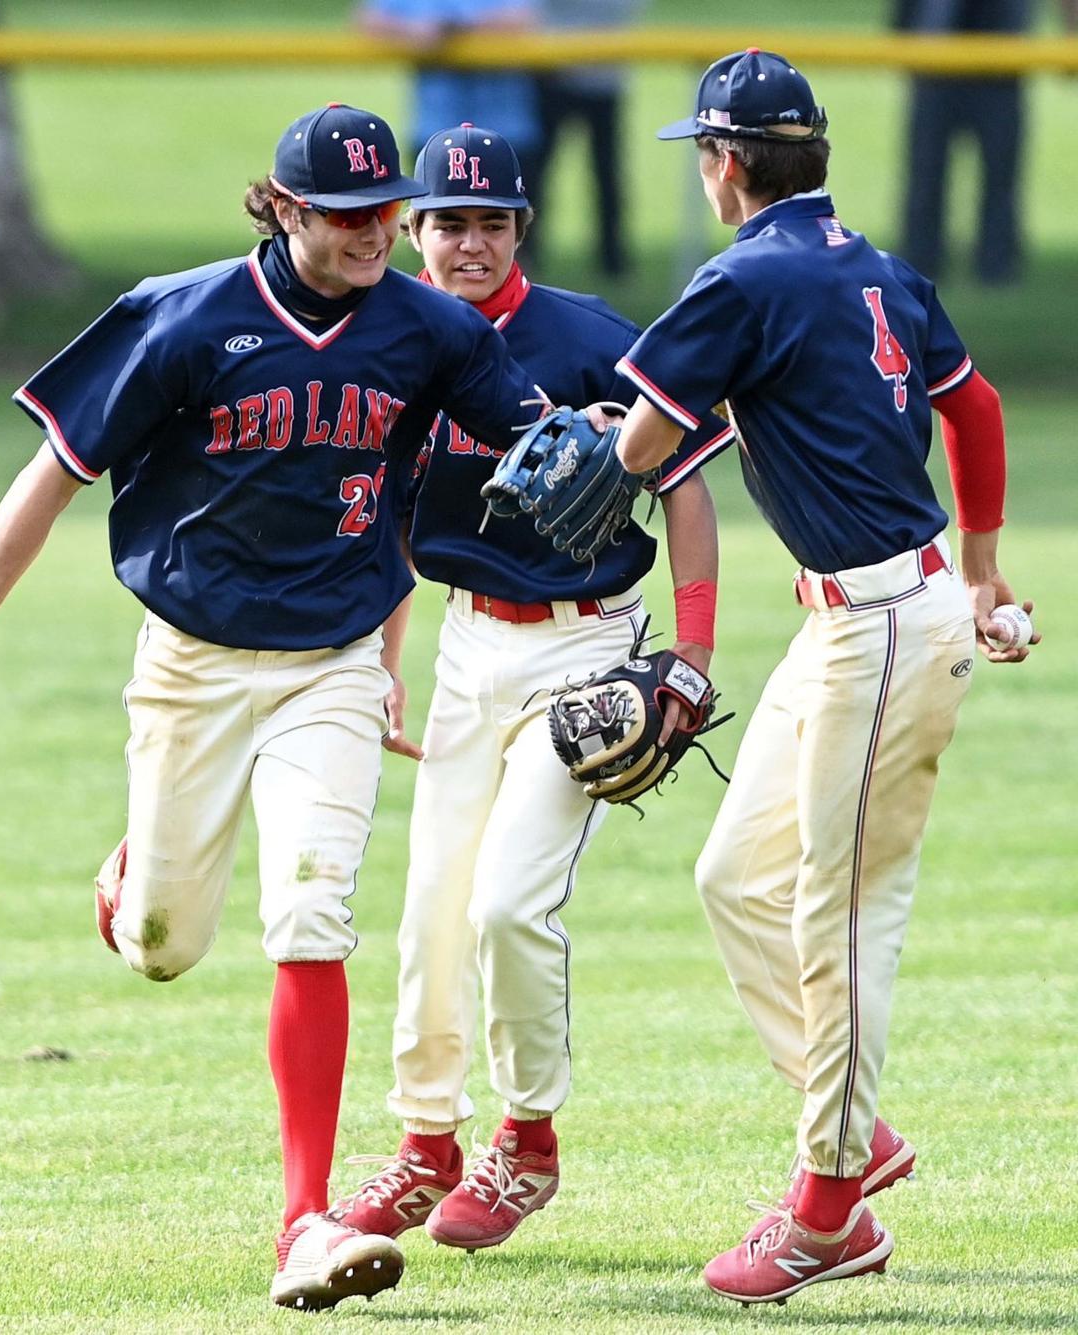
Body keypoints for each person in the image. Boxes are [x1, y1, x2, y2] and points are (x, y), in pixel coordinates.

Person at [0, 103, 565, 1314]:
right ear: (288, 207)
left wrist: (619, 448)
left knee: (312, 914)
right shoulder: (187, 316)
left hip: (333, 665)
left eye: (386, 210)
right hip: (192, 663)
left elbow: (536, 439)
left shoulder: (429, 328)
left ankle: (303, 1222)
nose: (375, 231)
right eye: (348, 213)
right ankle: (136, 879)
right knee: (166, 946)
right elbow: (54, 473)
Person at [609, 49, 1040, 1305]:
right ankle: (853, 1128)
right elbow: (976, 409)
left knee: (840, 914)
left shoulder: (741, 278)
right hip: (862, 617)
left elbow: (640, 447)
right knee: (734, 876)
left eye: (703, 155)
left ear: (725, 165)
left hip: (885, 628)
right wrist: (984, 571)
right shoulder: (877, 267)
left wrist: (610, 439)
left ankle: (826, 1212)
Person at [325, 123, 731, 1251]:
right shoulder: (393, 341)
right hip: (466, 646)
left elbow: (687, 486)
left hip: (584, 649)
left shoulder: (589, 338)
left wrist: (693, 653)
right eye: (450, 222)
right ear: (412, 229)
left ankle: (527, 1141)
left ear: (522, 229)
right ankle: (425, 1144)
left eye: (492, 223)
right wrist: (387, 658)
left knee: (508, 903)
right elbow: (395, 520)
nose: (471, 243)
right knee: (429, 911)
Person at [895, 0, 1078, 284]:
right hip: (936, 57)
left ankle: (997, 267)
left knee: (999, 174)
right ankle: (921, 262)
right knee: (927, 174)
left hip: (1001, 59)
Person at [357, 1, 545, 196]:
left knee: (513, 212)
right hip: (435, 133)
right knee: (438, 212)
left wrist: (455, 31)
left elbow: (526, 20)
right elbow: (370, 22)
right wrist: (413, 30)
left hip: (507, 134)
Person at [533, 0, 644, 275]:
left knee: (606, 173)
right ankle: (525, 250)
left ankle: (613, 259)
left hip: (600, 77)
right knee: (535, 173)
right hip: (554, 72)